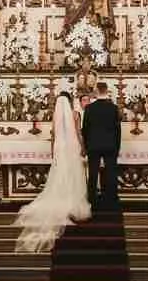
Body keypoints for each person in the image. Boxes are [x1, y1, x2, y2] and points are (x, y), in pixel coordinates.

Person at [14, 92, 91, 252]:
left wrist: (52, 150)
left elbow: (54, 135)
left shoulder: (55, 115)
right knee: (73, 173)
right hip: (72, 146)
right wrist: (83, 147)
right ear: (70, 102)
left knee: (60, 172)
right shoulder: (75, 114)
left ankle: (61, 197)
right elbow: (78, 132)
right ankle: (73, 200)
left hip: (60, 148)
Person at [82, 81, 121, 209]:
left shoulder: (89, 108)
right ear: (106, 91)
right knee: (111, 172)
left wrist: (86, 146)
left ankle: (92, 199)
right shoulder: (114, 108)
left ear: (97, 91)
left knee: (93, 173)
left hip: (93, 145)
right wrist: (117, 147)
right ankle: (111, 199)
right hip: (110, 145)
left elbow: (85, 129)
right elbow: (117, 130)